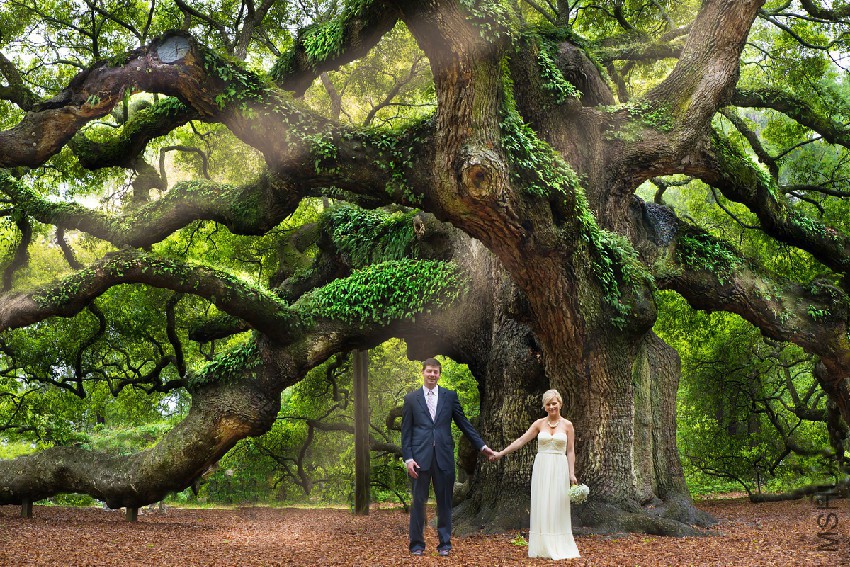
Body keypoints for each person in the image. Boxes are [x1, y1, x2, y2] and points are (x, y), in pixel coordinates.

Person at [401, 357, 494, 557]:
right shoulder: (410, 399)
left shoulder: (449, 397)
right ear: (423, 372)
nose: (432, 375)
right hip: (419, 459)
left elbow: (464, 424)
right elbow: (406, 432)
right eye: (429, 371)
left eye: (436, 372)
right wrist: (408, 459)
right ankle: (416, 544)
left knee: (444, 503)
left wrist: (481, 445)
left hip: (443, 458)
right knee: (418, 502)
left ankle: (445, 544)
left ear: (439, 374)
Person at [490, 389, 580, 560]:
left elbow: (570, 451)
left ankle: (558, 544)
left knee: (557, 504)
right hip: (542, 466)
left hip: (559, 466)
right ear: (545, 407)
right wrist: (501, 453)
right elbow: (521, 441)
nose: (552, 406)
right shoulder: (539, 424)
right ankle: (543, 544)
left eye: (554, 403)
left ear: (560, 403)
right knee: (543, 502)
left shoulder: (568, 425)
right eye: (548, 404)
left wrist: (571, 473)